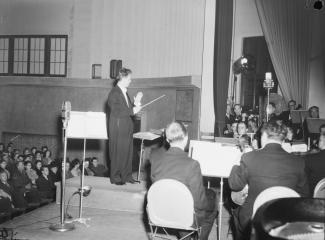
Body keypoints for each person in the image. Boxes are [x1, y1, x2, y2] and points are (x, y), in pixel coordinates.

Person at [228, 121, 309, 240]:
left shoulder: (249, 158)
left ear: (264, 136)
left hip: (253, 219)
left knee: (235, 213)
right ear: (283, 140)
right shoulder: (298, 162)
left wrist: (236, 163)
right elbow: (305, 195)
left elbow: (234, 185)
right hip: (285, 221)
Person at [151, 122, 218, 240]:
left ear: (167, 139)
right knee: (212, 201)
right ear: (186, 138)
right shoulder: (192, 165)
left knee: (207, 195)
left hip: (161, 213)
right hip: (183, 217)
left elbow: (158, 190)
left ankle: (184, 236)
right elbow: (199, 204)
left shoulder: (155, 161)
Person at [107, 68, 142, 185]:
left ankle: (127, 176)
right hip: (118, 128)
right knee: (117, 152)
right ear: (123, 78)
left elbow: (127, 108)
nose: (130, 81)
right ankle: (116, 177)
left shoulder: (124, 92)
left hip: (126, 127)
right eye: (129, 79)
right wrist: (133, 110)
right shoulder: (114, 93)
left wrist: (136, 103)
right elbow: (117, 111)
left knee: (127, 152)